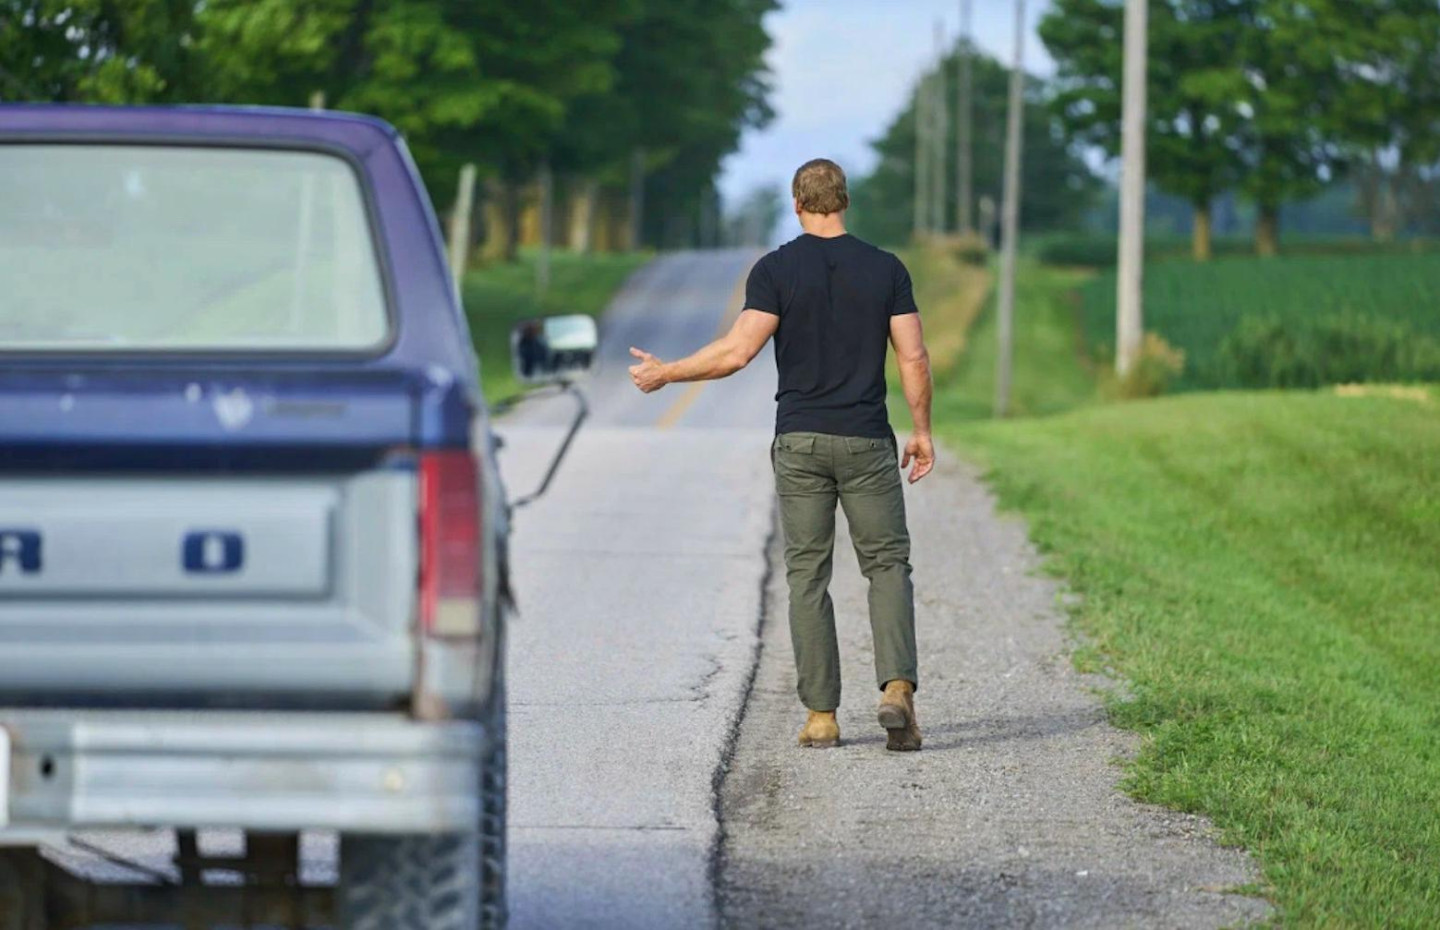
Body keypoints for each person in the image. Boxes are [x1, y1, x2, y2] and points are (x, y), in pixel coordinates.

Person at [628, 158, 934, 752]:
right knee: (887, 567)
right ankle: (897, 689)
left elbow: (737, 352)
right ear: (845, 201)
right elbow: (913, 357)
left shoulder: (776, 270)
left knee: (807, 576)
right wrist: (921, 429)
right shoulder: (886, 269)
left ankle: (822, 716)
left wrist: (667, 373)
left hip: (799, 444)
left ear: (798, 205)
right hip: (868, 440)